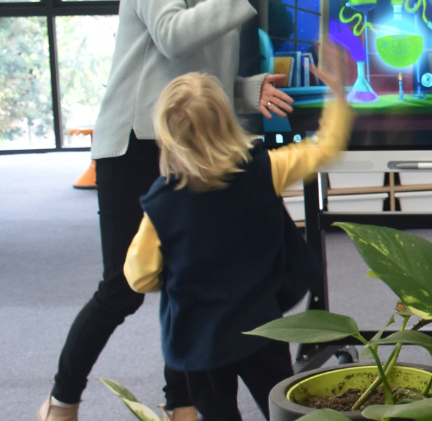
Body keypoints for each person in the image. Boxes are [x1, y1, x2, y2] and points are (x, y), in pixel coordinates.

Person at [38, 0, 295, 421]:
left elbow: (209, 82)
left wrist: (251, 92)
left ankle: (179, 402)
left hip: (189, 148)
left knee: (188, 281)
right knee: (123, 287)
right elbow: (174, 39)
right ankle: (62, 397)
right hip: (136, 142)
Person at [124, 44, 353, 421]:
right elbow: (325, 147)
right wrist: (340, 94)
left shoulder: (161, 204)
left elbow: (139, 276)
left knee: (217, 413)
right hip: (262, 326)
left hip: (201, 341)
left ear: (166, 136)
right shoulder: (265, 169)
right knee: (283, 405)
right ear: (228, 122)